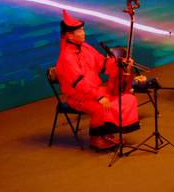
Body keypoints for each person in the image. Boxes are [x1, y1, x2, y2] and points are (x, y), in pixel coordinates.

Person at [55, 9, 141, 151]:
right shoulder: (66, 57)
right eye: (80, 31)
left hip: (95, 91)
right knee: (101, 107)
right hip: (78, 97)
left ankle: (108, 133)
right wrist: (99, 96)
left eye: (83, 30)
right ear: (69, 35)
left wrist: (119, 63)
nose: (83, 33)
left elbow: (102, 64)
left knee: (126, 98)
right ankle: (96, 138)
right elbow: (79, 83)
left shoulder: (85, 48)